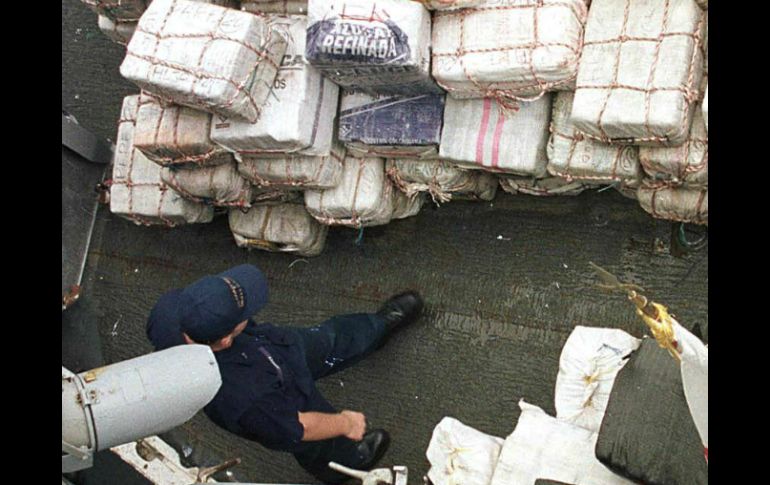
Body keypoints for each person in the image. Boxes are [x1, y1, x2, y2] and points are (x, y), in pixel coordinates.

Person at [146, 264, 424, 483]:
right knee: (317, 441)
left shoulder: (176, 308)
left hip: (275, 347)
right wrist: (345, 423)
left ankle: (377, 328)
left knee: (331, 338)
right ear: (225, 339)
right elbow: (299, 427)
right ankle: (343, 464)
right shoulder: (242, 399)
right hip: (277, 392)